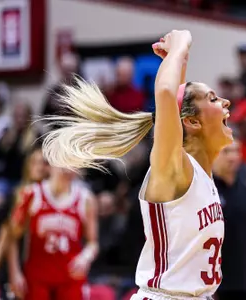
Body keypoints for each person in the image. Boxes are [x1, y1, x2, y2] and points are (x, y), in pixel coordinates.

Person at [39, 30, 232, 299]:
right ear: (193, 123)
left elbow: (176, 103)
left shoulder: (202, 173)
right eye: (213, 98)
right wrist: (181, 43)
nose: (226, 101)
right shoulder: (174, 166)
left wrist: (181, 61)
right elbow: (166, 94)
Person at [9, 166, 98, 300]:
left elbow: (93, 243)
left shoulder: (86, 198)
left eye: (73, 165)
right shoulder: (32, 193)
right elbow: (12, 237)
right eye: (64, 165)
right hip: (37, 278)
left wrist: (85, 257)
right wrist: (14, 272)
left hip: (70, 278)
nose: (68, 170)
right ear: (51, 165)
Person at [0, 146, 48, 300]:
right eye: (34, 162)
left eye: (44, 163)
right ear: (27, 167)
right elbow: (4, 238)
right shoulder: (17, 196)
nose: (39, 167)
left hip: (45, 271)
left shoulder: (60, 201)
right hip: (17, 269)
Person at [213, 139, 246, 300]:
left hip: (243, 283)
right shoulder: (205, 189)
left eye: (237, 151)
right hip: (213, 285)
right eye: (226, 151)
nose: (233, 157)